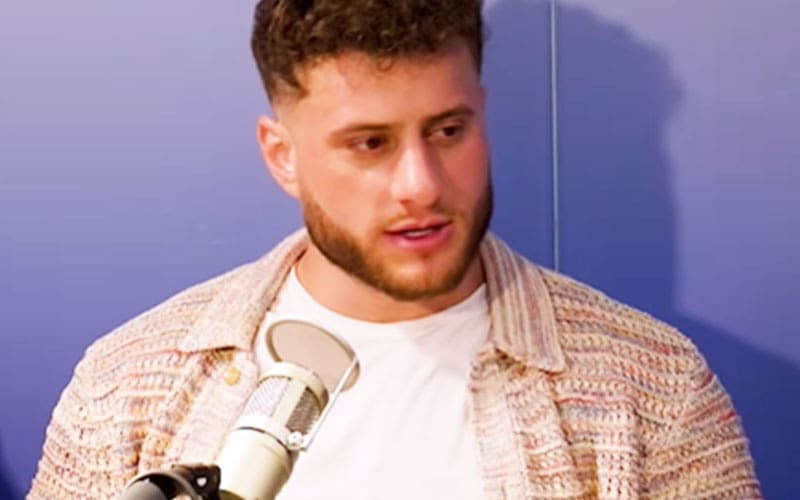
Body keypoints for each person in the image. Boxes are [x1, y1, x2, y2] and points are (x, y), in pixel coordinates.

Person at [29, 1, 760, 498]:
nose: (422, 185)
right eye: (370, 144)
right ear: (282, 156)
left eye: (448, 131)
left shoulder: (652, 389)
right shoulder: (126, 387)